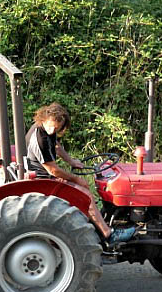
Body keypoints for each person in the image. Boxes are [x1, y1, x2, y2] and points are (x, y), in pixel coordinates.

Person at [26, 103, 136, 246]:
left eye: (57, 128)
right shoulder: (39, 138)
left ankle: (99, 221)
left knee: (84, 188)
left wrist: (72, 161)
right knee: (85, 194)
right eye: (52, 126)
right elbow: (53, 170)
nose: (53, 130)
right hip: (43, 179)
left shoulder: (46, 129)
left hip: (46, 174)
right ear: (45, 118)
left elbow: (56, 147)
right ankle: (109, 235)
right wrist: (76, 179)